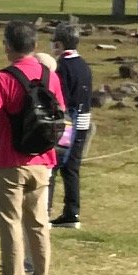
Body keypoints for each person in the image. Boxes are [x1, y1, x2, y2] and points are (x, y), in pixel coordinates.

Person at [0, 20, 67, 275]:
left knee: (11, 222)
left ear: (7, 46)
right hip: (42, 159)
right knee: (38, 222)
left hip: (10, 158)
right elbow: (60, 111)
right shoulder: (49, 76)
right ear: (35, 45)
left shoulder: (3, 77)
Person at [51, 23, 92, 230]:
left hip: (67, 123)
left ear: (59, 44)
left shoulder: (63, 66)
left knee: (52, 166)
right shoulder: (83, 64)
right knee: (72, 168)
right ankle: (72, 211)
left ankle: (44, 210)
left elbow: (61, 98)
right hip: (83, 121)